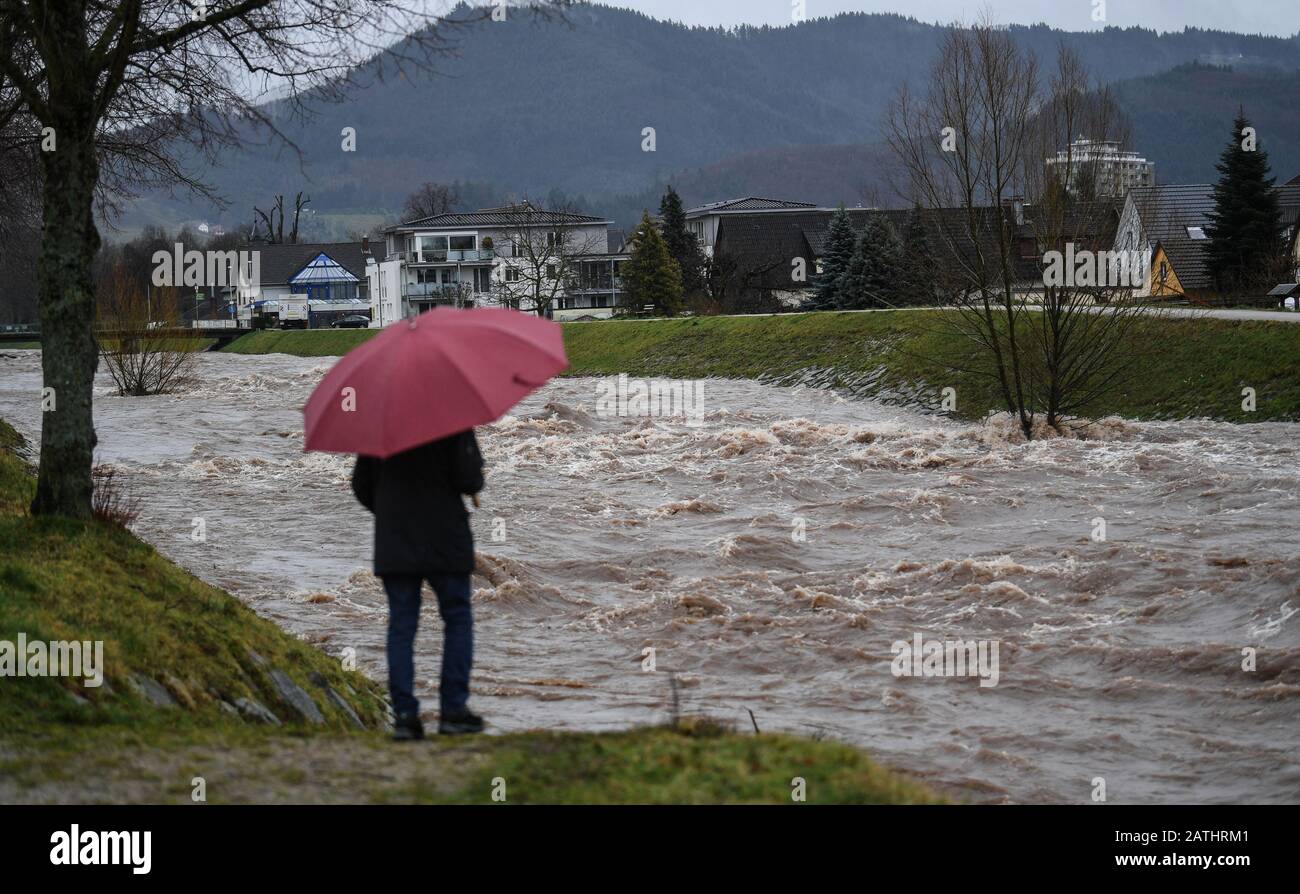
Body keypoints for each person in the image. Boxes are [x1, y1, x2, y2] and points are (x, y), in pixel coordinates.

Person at [351, 429, 485, 740]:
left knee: (401, 626)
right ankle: (453, 712)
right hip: (446, 539)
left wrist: (389, 513)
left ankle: (405, 717)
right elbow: (469, 480)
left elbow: (361, 486)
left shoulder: (379, 425)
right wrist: (475, 474)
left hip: (395, 542)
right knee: (457, 619)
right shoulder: (454, 420)